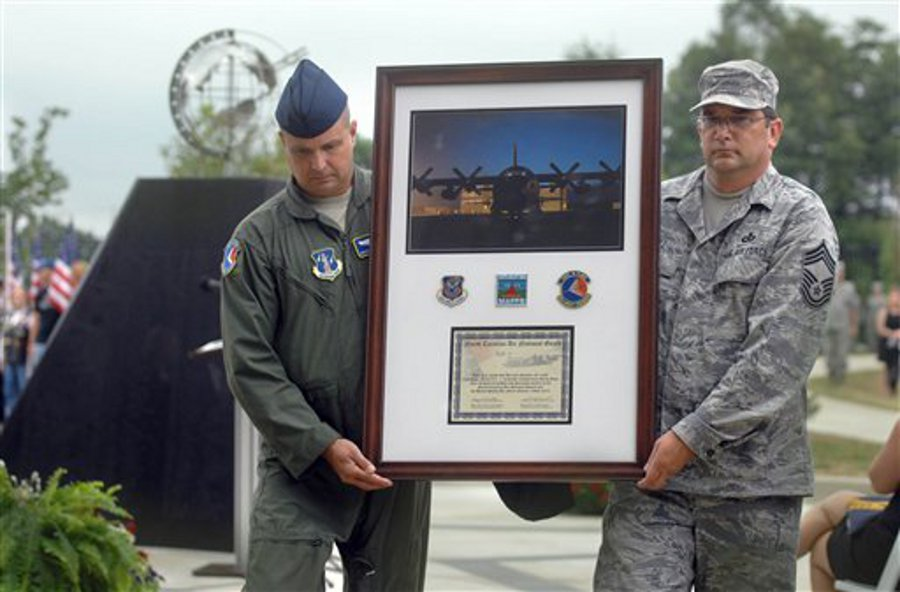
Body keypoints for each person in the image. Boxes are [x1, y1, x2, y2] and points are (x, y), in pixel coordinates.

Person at [594, 59, 838, 591]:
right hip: (651, 483)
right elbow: (601, 320)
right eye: (712, 118)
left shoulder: (800, 218)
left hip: (750, 490)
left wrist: (691, 437)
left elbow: (779, 355)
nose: (723, 131)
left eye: (741, 118)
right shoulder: (654, 207)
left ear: (772, 131)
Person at [220, 58, 431, 591]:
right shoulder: (258, 239)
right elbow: (250, 364)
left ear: (353, 132)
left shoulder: (405, 209)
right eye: (302, 150)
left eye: (330, 145)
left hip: (394, 462)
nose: (318, 163)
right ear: (283, 145)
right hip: (304, 462)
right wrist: (320, 443)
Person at [796, 419, 900, 590]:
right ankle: (761, 568)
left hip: (891, 552)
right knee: (839, 501)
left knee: (823, 548)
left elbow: (880, 482)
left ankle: (756, 572)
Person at [823, 261, 860, 383]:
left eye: (840, 272)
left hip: (843, 325)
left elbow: (854, 308)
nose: (838, 274)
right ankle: (831, 372)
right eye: (836, 271)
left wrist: (854, 326)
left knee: (841, 353)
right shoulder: (827, 286)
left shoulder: (849, 288)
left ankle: (840, 376)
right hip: (828, 324)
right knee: (828, 351)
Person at [2, 286, 30, 419]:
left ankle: (22, 417)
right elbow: (4, 335)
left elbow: (26, 334)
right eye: (15, 297)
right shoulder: (8, 315)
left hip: (22, 357)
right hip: (9, 357)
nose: (17, 299)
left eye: (20, 296)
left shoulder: (28, 314)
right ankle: (9, 417)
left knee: (22, 388)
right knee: (8, 389)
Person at [28, 260, 59, 376]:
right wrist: (31, 342)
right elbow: (36, 318)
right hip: (40, 341)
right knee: (38, 375)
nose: (40, 273)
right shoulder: (40, 293)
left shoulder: (61, 293)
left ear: (51, 271)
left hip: (56, 340)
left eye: (42, 270)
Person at [875, 285, 900, 395]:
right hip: (887, 343)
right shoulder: (884, 311)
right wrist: (892, 333)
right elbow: (880, 328)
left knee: (896, 365)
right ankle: (887, 388)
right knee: (888, 366)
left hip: (898, 343)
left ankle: (894, 387)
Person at [864, 281, 886, 352]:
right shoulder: (870, 298)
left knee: (880, 335)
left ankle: (881, 350)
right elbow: (867, 309)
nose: (876, 290)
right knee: (871, 336)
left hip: (881, 320)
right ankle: (872, 349)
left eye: (878, 288)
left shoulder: (884, 298)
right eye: (875, 288)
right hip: (871, 320)